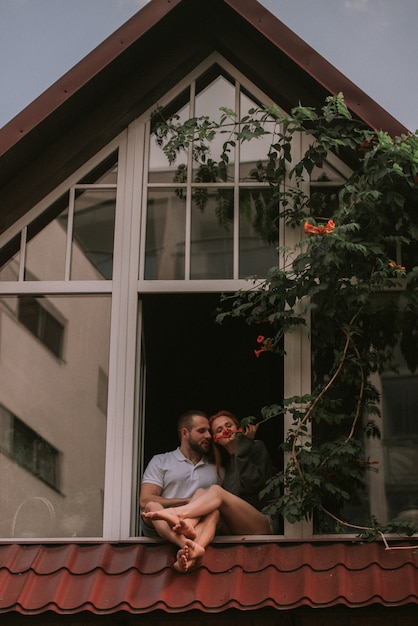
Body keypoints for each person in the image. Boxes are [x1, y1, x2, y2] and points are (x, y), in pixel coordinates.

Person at [143, 410, 278, 570]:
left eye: (229, 426)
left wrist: (242, 448)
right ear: (217, 440)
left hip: (263, 522)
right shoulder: (226, 466)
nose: (225, 431)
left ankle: (179, 515)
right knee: (203, 495)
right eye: (219, 430)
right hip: (230, 526)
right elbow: (231, 499)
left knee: (214, 491)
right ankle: (191, 552)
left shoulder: (254, 448)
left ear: (238, 427)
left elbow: (253, 483)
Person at [139, 409, 219, 573]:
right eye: (202, 431)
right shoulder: (161, 461)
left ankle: (192, 550)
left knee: (215, 511)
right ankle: (185, 544)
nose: (209, 436)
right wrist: (188, 503)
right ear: (185, 433)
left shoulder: (217, 469)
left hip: (198, 526)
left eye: (209, 431)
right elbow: (145, 500)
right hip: (162, 525)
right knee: (152, 506)